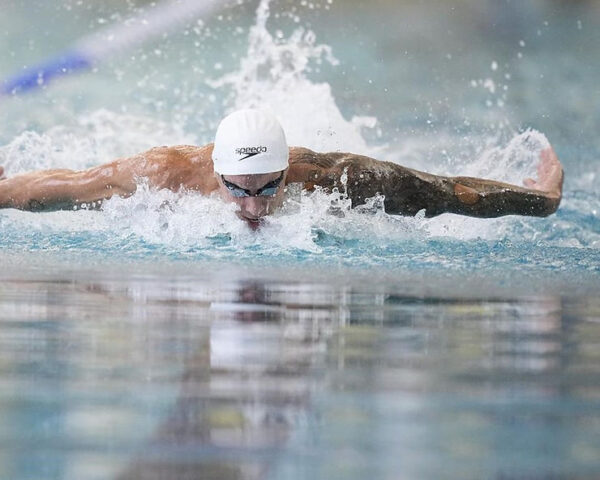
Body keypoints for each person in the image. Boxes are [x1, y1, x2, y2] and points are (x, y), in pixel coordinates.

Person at [0, 109, 563, 228]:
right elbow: (51, 190)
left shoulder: (336, 177)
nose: (252, 207)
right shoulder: (161, 174)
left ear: (289, 174)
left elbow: (451, 193)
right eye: (237, 189)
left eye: (269, 189)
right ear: (214, 171)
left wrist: (540, 200)